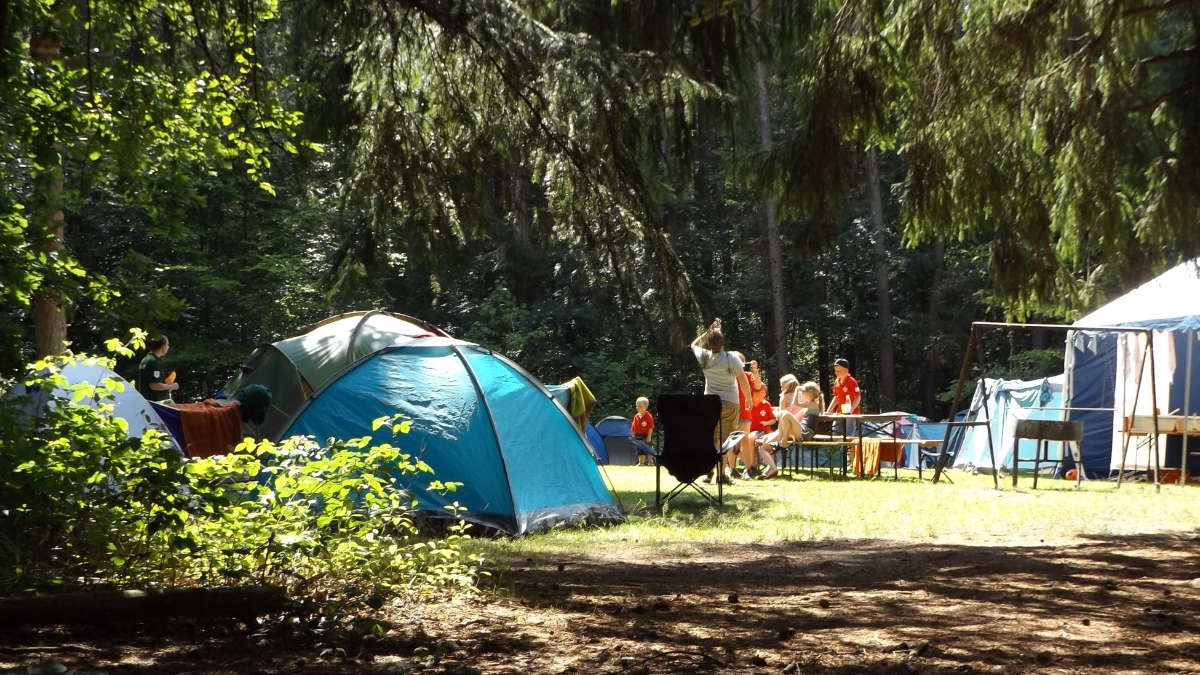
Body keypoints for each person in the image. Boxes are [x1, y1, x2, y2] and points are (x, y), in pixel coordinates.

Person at [690, 319, 750, 484]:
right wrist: (749, 399)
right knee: (725, 440)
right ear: (723, 342)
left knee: (713, 439)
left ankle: (711, 470)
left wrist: (708, 332)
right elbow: (743, 380)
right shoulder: (731, 357)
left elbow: (694, 344)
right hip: (730, 403)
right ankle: (721, 476)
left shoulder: (704, 357)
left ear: (709, 344)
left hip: (710, 404)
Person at [136, 335, 180, 403]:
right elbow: (154, 385)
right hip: (156, 404)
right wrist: (172, 386)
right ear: (163, 346)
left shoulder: (145, 359)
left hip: (146, 402)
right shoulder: (155, 361)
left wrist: (166, 386)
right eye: (167, 344)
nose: (168, 347)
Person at [825, 358, 861, 436]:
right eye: (835, 371)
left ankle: (849, 448)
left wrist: (851, 410)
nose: (836, 373)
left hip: (850, 414)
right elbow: (836, 397)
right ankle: (839, 448)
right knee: (835, 433)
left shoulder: (852, 381)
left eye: (838, 371)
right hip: (839, 413)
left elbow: (858, 397)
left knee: (849, 435)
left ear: (846, 370)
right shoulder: (836, 382)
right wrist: (828, 410)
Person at [631, 396, 655, 466]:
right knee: (640, 449)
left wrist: (649, 436)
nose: (638, 408)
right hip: (638, 435)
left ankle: (650, 462)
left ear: (646, 407)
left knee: (648, 449)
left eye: (640, 406)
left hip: (646, 435)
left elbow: (651, 427)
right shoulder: (636, 416)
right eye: (637, 406)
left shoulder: (648, 416)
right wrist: (633, 435)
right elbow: (633, 426)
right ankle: (641, 463)